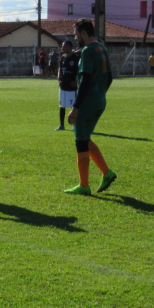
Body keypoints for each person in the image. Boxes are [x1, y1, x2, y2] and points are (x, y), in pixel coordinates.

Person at [65, 20, 115, 195]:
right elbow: (110, 77)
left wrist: (75, 107)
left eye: (76, 34)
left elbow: (85, 80)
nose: (75, 37)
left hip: (87, 103)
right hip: (100, 100)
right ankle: (107, 173)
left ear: (84, 33)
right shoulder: (101, 48)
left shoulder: (87, 51)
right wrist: (100, 93)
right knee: (85, 138)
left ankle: (84, 186)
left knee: (80, 141)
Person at [55, 40, 80, 131]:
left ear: (69, 47)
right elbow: (60, 69)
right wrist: (59, 78)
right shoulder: (63, 57)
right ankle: (62, 125)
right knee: (62, 106)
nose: (62, 48)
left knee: (72, 106)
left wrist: (77, 80)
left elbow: (81, 70)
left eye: (63, 46)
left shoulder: (76, 58)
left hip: (72, 87)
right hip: (63, 86)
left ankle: (74, 125)